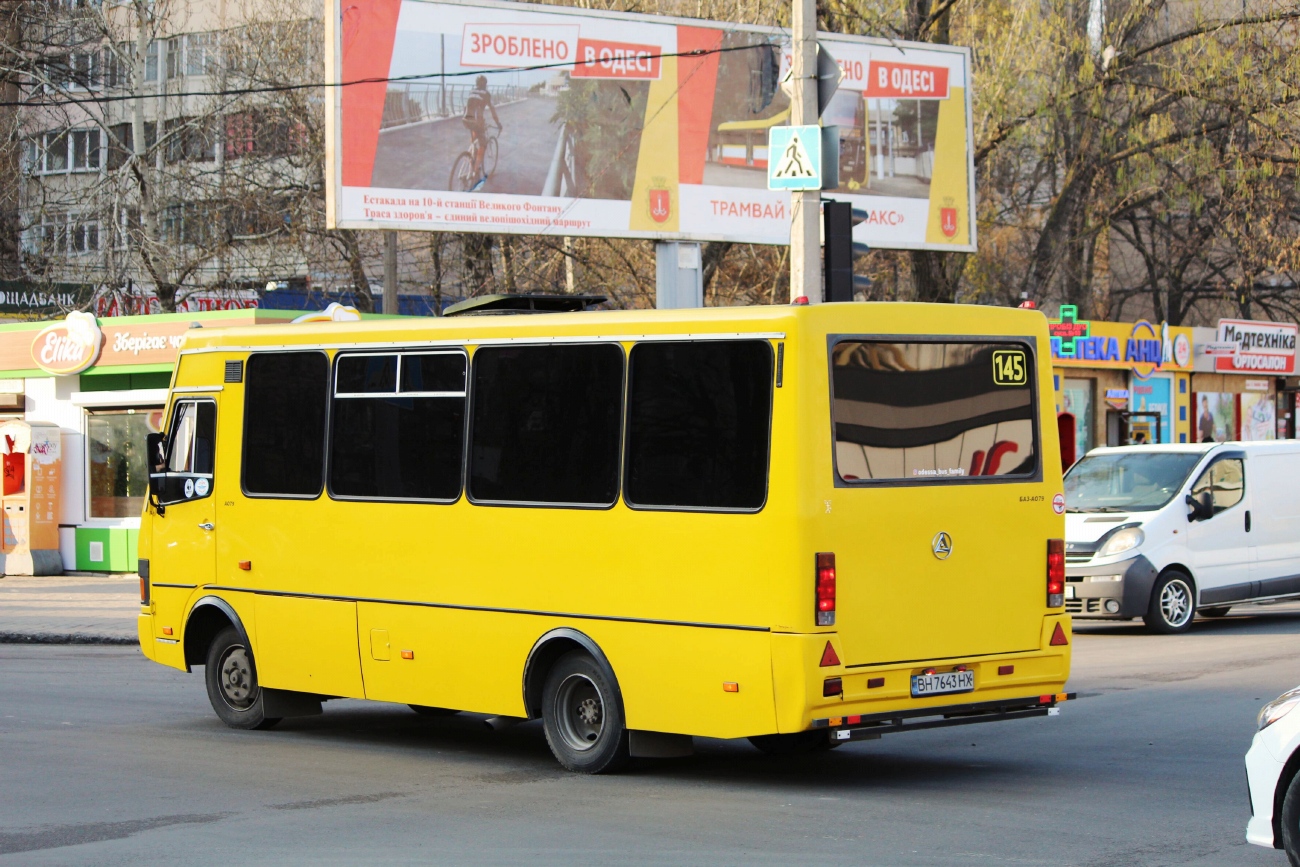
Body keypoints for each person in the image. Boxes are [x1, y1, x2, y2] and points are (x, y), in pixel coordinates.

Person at [462, 76, 501, 181]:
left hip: (465, 120)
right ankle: (475, 170)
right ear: (485, 84)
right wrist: (498, 123)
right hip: (476, 121)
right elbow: (492, 110)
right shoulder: (486, 94)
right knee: (483, 145)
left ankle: (471, 156)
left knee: (475, 139)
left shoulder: (471, 91)